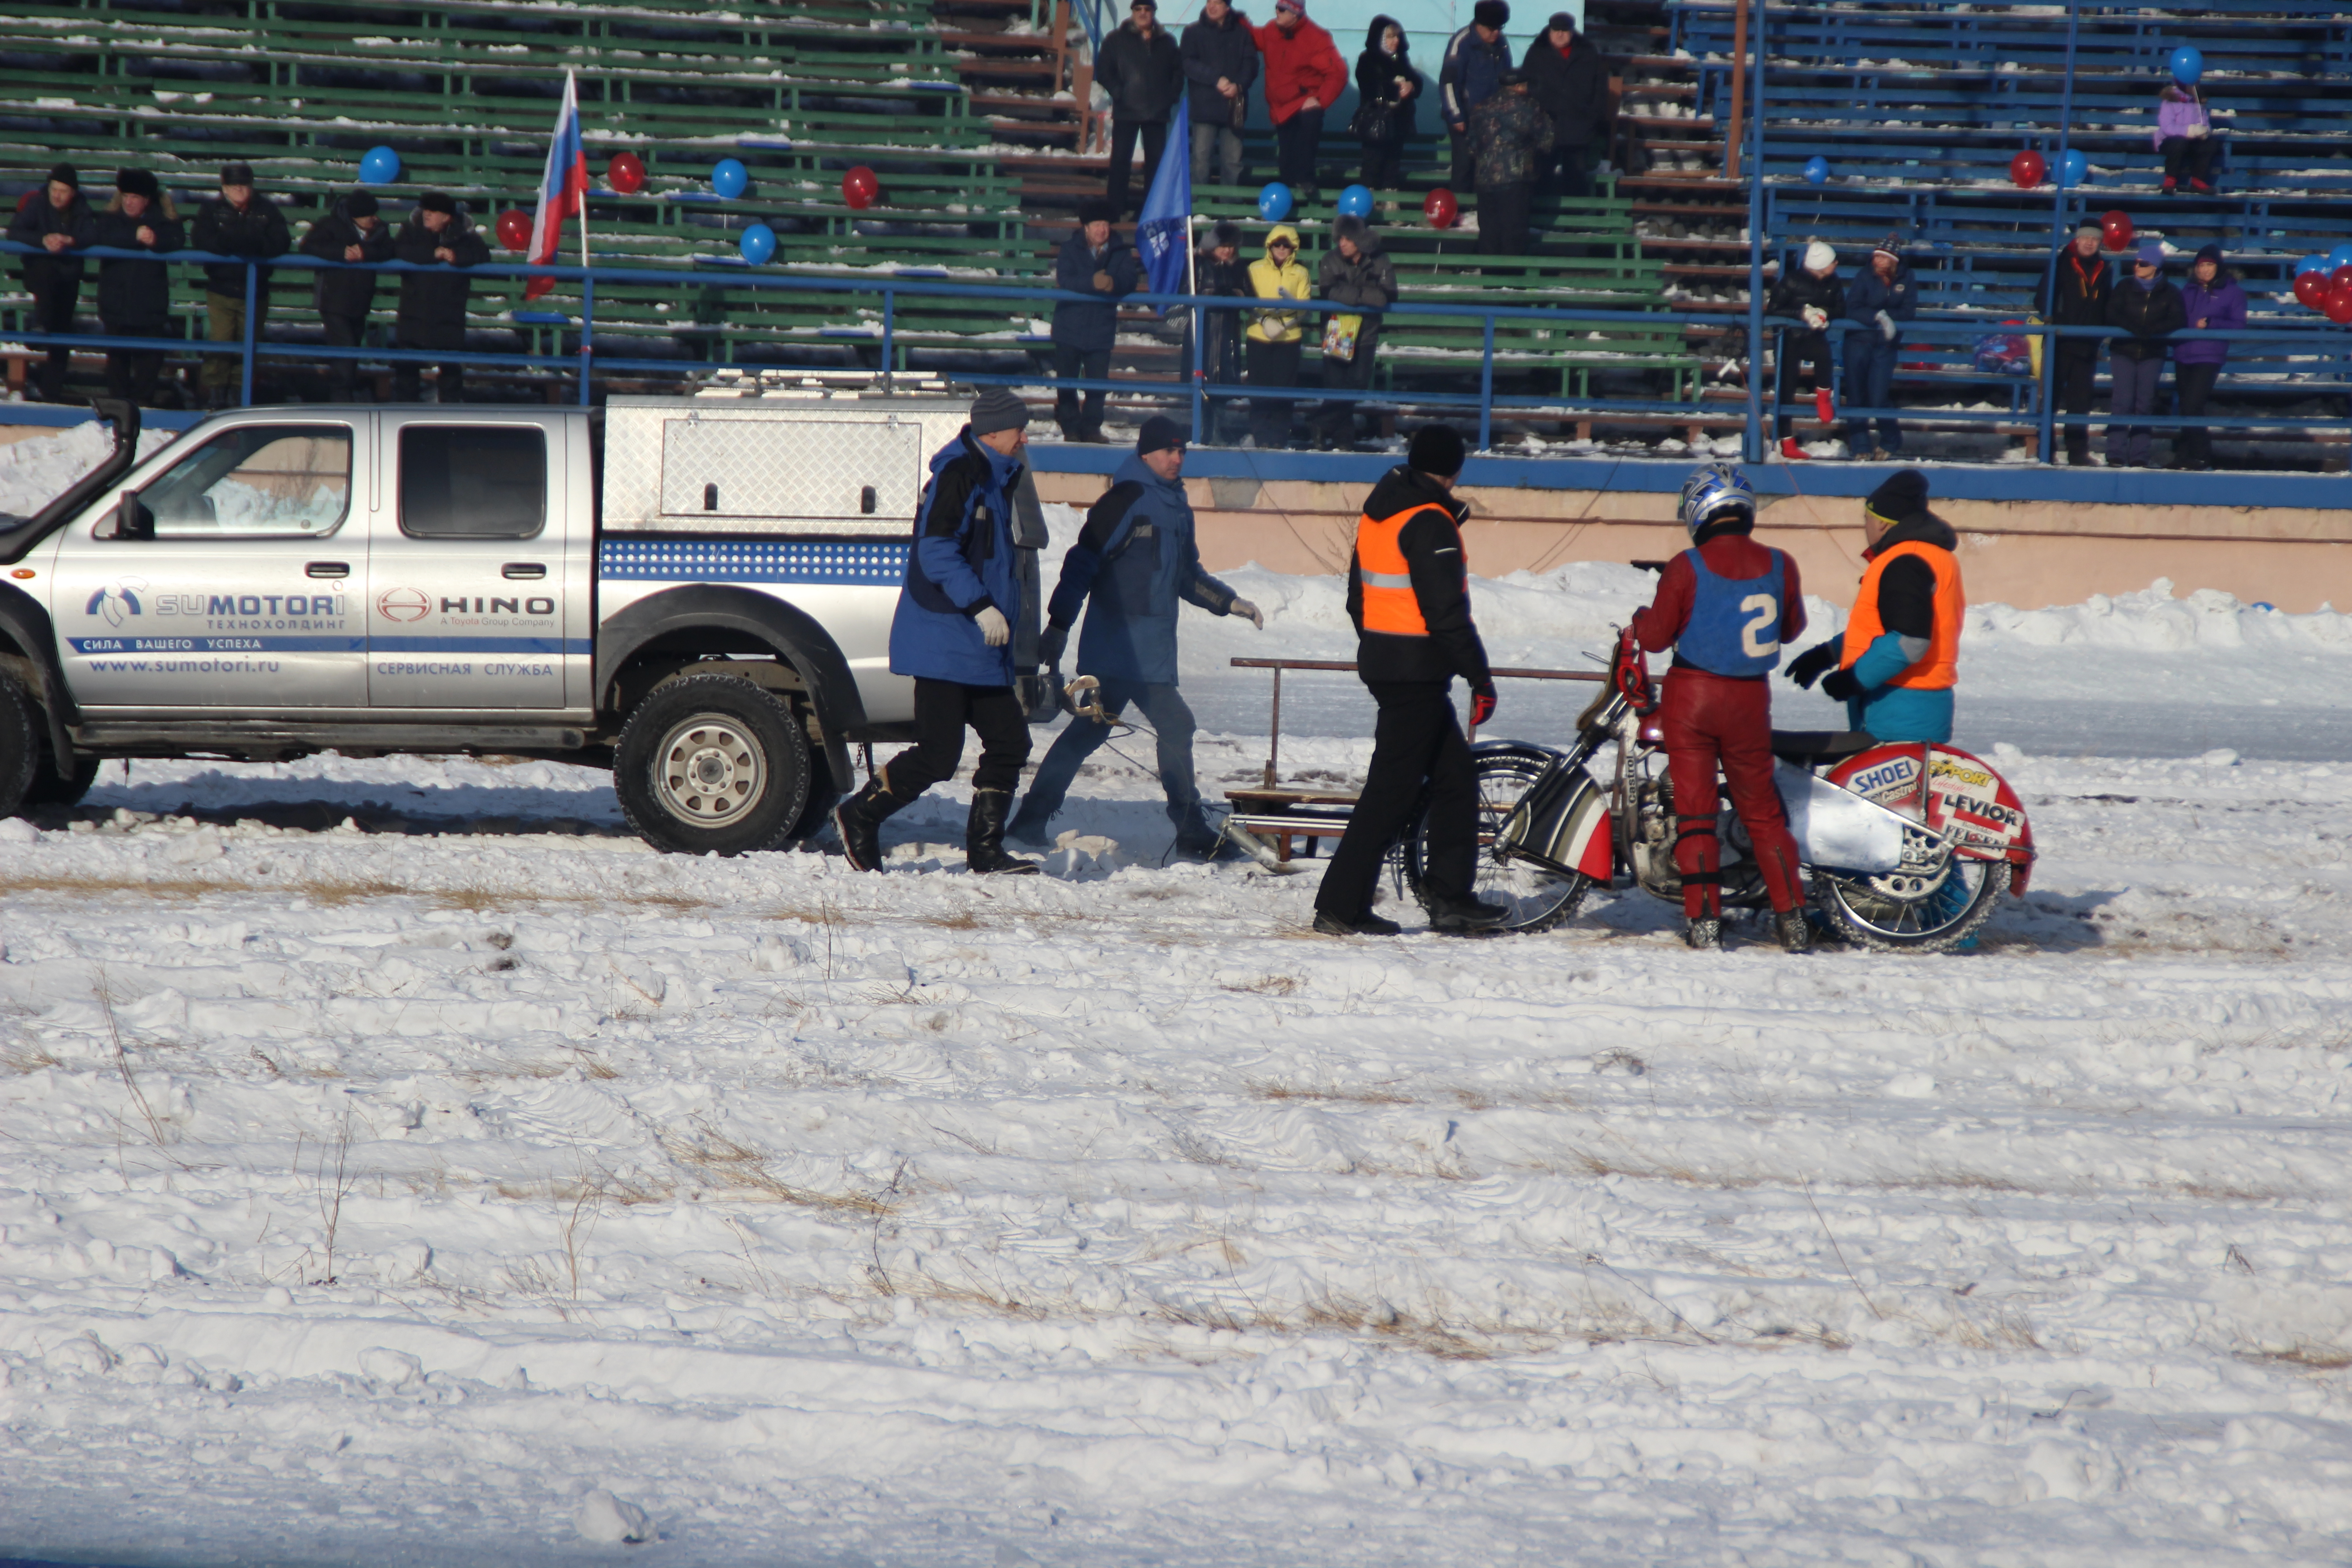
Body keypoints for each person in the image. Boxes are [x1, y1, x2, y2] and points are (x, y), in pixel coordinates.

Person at [1010, 416, 1264, 852]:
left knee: (1091, 733)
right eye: (1169, 451)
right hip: (1117, 648)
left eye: (1182, 451)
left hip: (1151, 651)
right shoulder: (1125, 500)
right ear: (1146, 454)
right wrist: (1058, 625)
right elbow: (1081, 563)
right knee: (1172, 724)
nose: (1177, 459)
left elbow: (1187, 576)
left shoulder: (1176, 506)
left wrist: (1229, 602)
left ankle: (1031, 819)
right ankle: (1188, 828)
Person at [834, 387, 1045, 877]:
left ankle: (987, 852)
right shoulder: (961, 473)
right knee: (938, 755)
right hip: (946, 641)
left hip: (978, 648)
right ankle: (859, 815)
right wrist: (982, 608)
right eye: (1019, 428)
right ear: (994, 432)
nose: (1025, 437)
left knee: (1010, 742)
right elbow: (936, 550)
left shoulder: (996, 477)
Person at [1313, 423, 1505, 937]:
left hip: (1391, 666)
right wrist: (1479, 676)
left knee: (1454, 779)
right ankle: (1338, 906)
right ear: (1456, 469)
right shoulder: (1429, 521)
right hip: (1415, 674)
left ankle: (1450, 898)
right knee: (1390, 795)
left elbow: (1358, 598)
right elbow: (1446, 613)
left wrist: (1381, 644)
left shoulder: (1381, 512)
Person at [1628, 462, 1810, 952]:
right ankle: (1792, 916)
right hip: (1751, 699)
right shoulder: (1781, 563)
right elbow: (1791, 629)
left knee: (1696, 816)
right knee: (1764, 814)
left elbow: (1658, 637)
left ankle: (1704, 921)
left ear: (1698, 511)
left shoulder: (1687, 565)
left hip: (1694, 698)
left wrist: (1641, 617)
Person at [1784, 468, 1964, 747]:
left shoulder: (1905, 561)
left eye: (1866, 518)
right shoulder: (1932, 555)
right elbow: (1883, 630)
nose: (1865, 526)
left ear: (1881, 523)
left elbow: (1909, 642)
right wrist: (1827, 655)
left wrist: (1853, 680)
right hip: (1918, 707)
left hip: (1898, 713)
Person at [189, 162, 289, 409]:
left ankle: (239, 391)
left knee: (248, 343)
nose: (240, 191)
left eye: (244, 186)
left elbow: (281, 241)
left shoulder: (267, 210)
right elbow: (201, 238)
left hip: (256, 290)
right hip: (222, 288)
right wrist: (228, 243)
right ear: (224, 188)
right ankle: (215, 391)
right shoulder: (212, 210)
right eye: (234, 186)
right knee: (221, 341)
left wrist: (256, 245)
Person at [92, 168, 183, 406]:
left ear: (147, 200)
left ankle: (144, 406)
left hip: (149, 306)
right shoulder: (110, 219)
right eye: (126, 197)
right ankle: (118, 406)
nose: (130, 203)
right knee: (117, 361)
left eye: (136, 198)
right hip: (116, 303)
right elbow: (100, 235)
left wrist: (156, 240)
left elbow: (177, 237)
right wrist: (135, 236)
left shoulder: (161, 220)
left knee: (149, 362)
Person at [1050, 201, 1137, 442]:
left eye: (1106, 225)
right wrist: (1093, 283)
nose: (1102, 230)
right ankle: (1070, 427)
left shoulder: (1120, 250)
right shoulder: (1070, 248)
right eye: (1097, 225)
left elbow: (1129, 279)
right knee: (1067, 382)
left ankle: (1091, 428)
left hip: (1101, 327)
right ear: (1086, 227)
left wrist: (1113, 284)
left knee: (1097, 385)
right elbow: (1066, 278)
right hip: (1070, 325)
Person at [9, 165, 94, 402]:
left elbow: (92, 235)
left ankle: (52, 392)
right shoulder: (37, 203)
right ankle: (40, 323)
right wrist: (43, 240)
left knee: (63, 332)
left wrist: (71, 240)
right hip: (41, 272)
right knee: (45, 277)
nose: (56, 195)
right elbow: (14, 232)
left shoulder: (82, 209)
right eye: (54, 189)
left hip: (68, 276)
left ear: (73, 193)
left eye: (63, 191)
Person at [392, 192, 488, 403]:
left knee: (451, 373)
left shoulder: (464, 234)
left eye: (433, 212)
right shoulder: (411, 230)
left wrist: (457, 257)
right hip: (414, 311)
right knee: (406, 373)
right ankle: (402, 415)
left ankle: (451, 418)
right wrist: (432, 254)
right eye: (426, 210)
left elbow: (482, 256)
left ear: (447, 217)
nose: (427, 215)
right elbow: (398, 250)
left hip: (449, 313)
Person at [299, 189, 394, 401]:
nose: (375, 218)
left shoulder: (380, 231)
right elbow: (307, 246)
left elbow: (390, 250)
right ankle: (341, 398)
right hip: (334, 300)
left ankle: (344, 395)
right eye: (370, 215)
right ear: (356, 216)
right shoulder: (331, 225)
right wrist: (341, 252)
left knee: (351, 350)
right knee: (345, 348)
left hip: (360, 301)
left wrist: (366, 253)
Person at [1312, 213, 1396, 447]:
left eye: (1347, 239)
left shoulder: (1380, 259)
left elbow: (1389, 295)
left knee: (1358, 385)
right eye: (1340, 238)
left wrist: (1350, 294)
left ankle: (1320, 423)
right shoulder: (1330, 259)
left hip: (1366, 332)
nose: (1342, 243)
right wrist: (1364, 296)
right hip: (1338, 330)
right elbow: (1328, 291)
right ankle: (1342, 441)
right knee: (1336, 388)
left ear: (1360, 240)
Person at [1096, 0, 1185, 220]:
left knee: (1156, 163)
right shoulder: (1116, 40)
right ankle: (1115, 209)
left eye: (1148, 9)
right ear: (1132, 12)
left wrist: (1170, 97)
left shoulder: (1167, 41)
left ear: (1154, 12)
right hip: (1127, 110)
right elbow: (1104, 71)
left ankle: (1151, 211)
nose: (1143, 14)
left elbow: (1178, 73)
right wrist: (1120, 93)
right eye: (1139, 9)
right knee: (1120, 161)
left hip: (1157, 113)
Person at [1250, 0, 1347, 196]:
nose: (1277, 11)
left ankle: (1306, 183)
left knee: (1303, 148)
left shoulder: (1316, 38)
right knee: (1286, 163)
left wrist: (1320, 101)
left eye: (1282, 9)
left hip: (1303, 105)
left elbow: (1338, 73)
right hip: (1280, 108)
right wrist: (1234, 19)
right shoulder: (1271, 31)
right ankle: (1290, 201)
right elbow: (1253, 37)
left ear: (1295, 13)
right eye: (1277, 7)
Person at [2104, 238, 2182, 469]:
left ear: (2156, 267)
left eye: (2143, 264)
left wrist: (2152, 331)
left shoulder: (2169, 291)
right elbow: (2112, 313)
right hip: (2124, 351)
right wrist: (2135, 329)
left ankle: (2140, 453)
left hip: (2152, 353)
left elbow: (2177, 318)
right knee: (2122, 401)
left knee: (2144, 403)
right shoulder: (2125, 286)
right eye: (2136, 263)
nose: (2137, 267)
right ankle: (2115, 452)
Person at [2039, 220, 2112, 467]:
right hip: (2060, 341)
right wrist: (2053, 317)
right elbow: (2042, 297)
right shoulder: (2061, 263)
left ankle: (2077, 452)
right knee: (2050, 399)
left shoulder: (2105, 268)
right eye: (2086, 238)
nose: (2090, 243)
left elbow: (2107, 305)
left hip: (2087, 345)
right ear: (2077, 240)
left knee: (2080, 403)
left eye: (2095, 239)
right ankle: (2045, 450)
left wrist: (2103, 332)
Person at [1840, 234, 1917, 461]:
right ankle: (1860, 446)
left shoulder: (1907, 278)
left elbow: (1908, 311)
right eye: (1876, 257)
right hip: (1858, 344)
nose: (1877, 262)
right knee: (1856, 395)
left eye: (1882, 259)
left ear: (1893, 261)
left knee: (1878, 396)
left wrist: (1888, 318)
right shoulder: (1865, 276)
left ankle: (1891, 440)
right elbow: (1852, 307)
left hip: (1885, 346)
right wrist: (1877, 317)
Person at [1764, 240, 1842, 460]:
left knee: (1824, 355)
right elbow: (1774, 309)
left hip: (1814, 336)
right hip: (1789, 339)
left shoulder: (1833, 283)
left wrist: (1824, 313)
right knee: (1786, 389)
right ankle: (1787, 442)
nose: (1836, 265)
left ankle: (1824, 396)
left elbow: (1840, 308)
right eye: (1832, 262)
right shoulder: (1791, 281)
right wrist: (1801, 314)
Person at [1522, 11, 1610, 199]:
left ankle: (1577, 223)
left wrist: (1592, 117)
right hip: (1544, 127)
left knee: (1576, 178)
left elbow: (1600, 89)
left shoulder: (1588, 53)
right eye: (1556, 30)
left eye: (1565, 30)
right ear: (1549, 31)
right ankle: (1541, 219)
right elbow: (1525, 87)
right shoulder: (1537, 52)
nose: (1560, 35)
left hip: (1578, 128)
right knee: (1541, 176)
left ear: (1572, 32)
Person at [2172, 243, 2243, 471]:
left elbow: (2239, 326)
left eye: (2209, 265)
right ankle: (2185, 455)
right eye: (2201, 265)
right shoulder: (2187, 290)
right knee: (2186, 406)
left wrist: (2213, 324)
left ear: (2218, 266)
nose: (2204, 270)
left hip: (2209, 355)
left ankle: (2202, 455)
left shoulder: (2233, 292)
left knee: (2193, 404)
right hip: (2183, 353)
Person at [1467, 68, 1551, 257]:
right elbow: (1547, 141)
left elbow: (1471, 146)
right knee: (1514, 234)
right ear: (1520, 86)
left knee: (1489, 234)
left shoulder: (1481, 108)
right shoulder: (1531, 107)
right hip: (1516, 180)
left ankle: (1490, 281)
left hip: (1485, 180)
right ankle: (1512, 281)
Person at [1244, 222, 1310, 448]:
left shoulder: (1302, 272)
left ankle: (1280, 438)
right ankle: (1261, 436)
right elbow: (1247, 300)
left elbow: (1305, 308)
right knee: (1259, 389)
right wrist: (1264, 320)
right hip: (1258, 336)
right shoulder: (1254, 269)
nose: (1281, 249)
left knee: (1284, 390)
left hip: (1289, 339)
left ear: (1294, 248)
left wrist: (1283, 323)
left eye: (1287, 245)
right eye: (1277, 244)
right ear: (1269, 246)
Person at [1180, 0, 1258, 189]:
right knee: (1201, 161)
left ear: (1228, 8)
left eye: (1217, 3)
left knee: (1233, 162)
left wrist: (1238, 86)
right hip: (1204, 107)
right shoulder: (1193, 32)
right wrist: (1216, 79)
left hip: (1234, 106)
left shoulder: (1242, 34)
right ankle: (1199, 208)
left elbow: (1251, 65)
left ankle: (1230, 207)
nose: (1212, 7)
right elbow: (1188, 64)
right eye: (1209, 2)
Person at [1440, 0, 1513, 195]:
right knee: (1464, 168)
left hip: (1493, 120)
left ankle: (1480, 212)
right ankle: (1461, 211)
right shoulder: (1462, 43)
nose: (1496, 33)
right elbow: (1449, 83)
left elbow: (1507, 80)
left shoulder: (1502, 45)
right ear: (1479, 25)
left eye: (1500, 28)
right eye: (1491, 29)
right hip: (1466, 116)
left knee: (1487, 169)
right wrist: (1456, 116)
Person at [1194, 219, 1250, 437]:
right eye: (1223, 246)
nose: (1227, 251)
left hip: (1228, 334)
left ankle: (1216, 433)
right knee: (1200, 384)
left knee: (1222, 386)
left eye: (1230, 247)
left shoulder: (1239, 267)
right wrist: (1215, 296)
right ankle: (1200, 433)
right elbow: (1189, 293)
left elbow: (1250, 296)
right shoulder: (1198, 264)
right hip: (1203, 333)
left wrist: (1235, 295)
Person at [1353, 17, 1422, 191]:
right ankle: (1370, 204)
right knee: (1372, 165)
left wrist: (1411, 86)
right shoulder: (1368, 60)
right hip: (1375, 124)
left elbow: (1416, 80)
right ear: (1381, 39)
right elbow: (1368, 87)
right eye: (1391, 37)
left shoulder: (1401, 60)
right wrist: (1395, 86)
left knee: (1392, 166)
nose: (1396, 41)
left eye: (1398, 37)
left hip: (1397, 124)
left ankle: (1390, 204)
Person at [2156, 73, 2219, 196]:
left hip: (2192, 142)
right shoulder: (2170, 100)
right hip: (2170, 140)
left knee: (2210, 144)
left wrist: (2203, 131)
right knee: (2179, 144)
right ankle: (2170, 180)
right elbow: (2167, 127)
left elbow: (2205, 122)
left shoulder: (2197, 101)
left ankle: (2198, 181)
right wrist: (2189, 131)